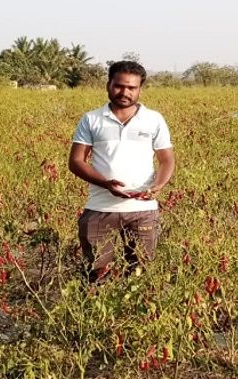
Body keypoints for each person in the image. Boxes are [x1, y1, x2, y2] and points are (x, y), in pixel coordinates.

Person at [68, 60, 175, 282]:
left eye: (131, 87)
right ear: (108, 84)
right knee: (97, 274)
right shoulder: (91, 119)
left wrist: (158, 186)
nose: (124, 92)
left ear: (139, 89)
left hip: (143, 210)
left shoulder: (154, 119)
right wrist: (107, 184)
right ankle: (97, 315)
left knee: (140, 274)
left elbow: (166, 160)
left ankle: (134, 317)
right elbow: (76, 161)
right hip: (100, 208)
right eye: (119, 86)